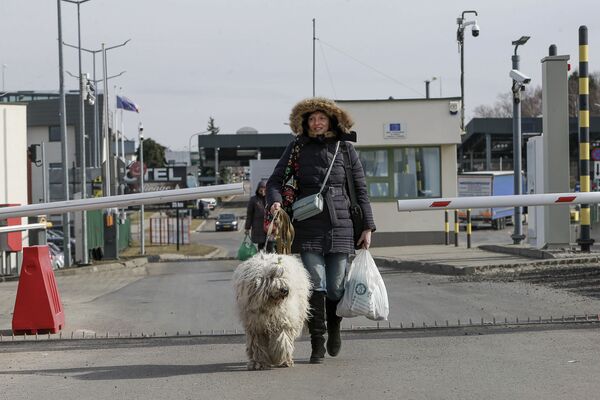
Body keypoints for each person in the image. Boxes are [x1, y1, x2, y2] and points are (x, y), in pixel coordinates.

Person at [266, 97, 376, 364]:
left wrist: (368, 227)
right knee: (316, 285)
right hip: (307, 226)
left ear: (331, 121)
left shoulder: (345, 149)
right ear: (305, 122)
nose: (316, 123)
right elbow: (274, 181)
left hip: (341, 227)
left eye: (321, 118)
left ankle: (334, 327)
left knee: (336, 289)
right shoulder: (296, 149)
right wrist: (275, 201)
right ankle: (317, 341)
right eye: (312, 119)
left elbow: (360, 190)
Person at [245, 180, 268, 250]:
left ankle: (269, 260)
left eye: (264, 188)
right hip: (258, 227)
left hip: (269, 226)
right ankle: (261, 260)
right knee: (261, 246)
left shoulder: (270, 198)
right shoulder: (253, 200)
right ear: (258, 189)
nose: (263, 190)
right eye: (261, 188)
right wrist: (247, 228)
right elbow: (249, 215)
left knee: (270, 245)